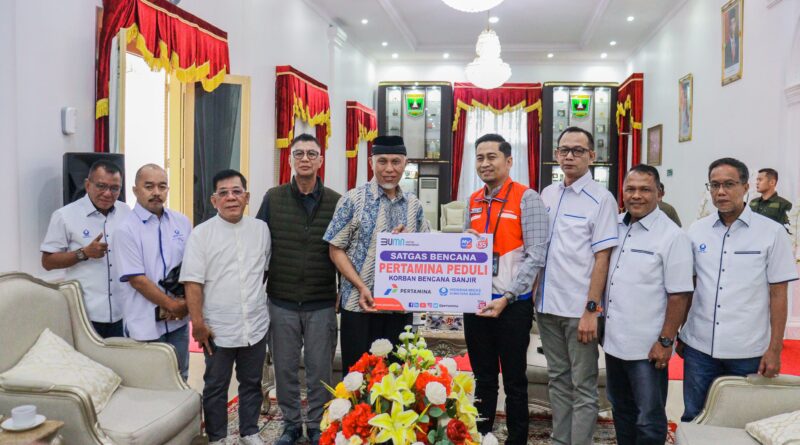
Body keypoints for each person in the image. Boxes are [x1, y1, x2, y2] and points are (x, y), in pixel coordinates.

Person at [679, 158, 798, 422]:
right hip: (699, 347)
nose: (721, 192)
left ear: (745, 187)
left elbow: (779, 294)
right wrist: (680, 333)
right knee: (694, 416)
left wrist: (775, 349)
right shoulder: (697, 231)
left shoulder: (771, 232)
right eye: (715, 185)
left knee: (740, 421)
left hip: (747, 350)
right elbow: (690, 287)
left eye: (729, 184)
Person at [462, 134, 548, 445]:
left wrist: (508, 297)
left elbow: (537, 254)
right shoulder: (473, 200)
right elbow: (465, 250)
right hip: (476, 303)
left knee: (514, 380)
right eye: (480, 157)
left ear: (509, 161)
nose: (485, 163)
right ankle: (481, 435)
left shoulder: (527, 198)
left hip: (513, 304)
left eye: (492, 157)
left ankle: (517, 439)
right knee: (483, 378)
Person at [255, 134, 341, 445]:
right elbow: (259, 247)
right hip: (282, 300)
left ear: (320, 160)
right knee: (285, 369)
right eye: (299, 153)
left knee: (320, 370)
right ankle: (291, 425)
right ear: (290, 159)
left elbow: (344, 248)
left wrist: (343, 290)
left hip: (321, 301)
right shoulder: (273, 198)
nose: (305, 159)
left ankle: (317, 425)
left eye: (311, 154)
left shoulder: (336, 201)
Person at [536, 127, 619, 445]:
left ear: (592, 156)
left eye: (578, 150)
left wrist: (591, 310)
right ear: (556, 154)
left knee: (583, 385)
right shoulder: (547, 194)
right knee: (557, 378)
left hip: (578, 310)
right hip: (546, 306)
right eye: (564, 150)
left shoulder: (601, 199)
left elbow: (602, 258)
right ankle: (560, 439)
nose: (569, 156)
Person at [324, 135, 431, 373]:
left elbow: (426, 251)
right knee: (357, 377)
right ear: (371, 162)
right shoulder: (352, 199)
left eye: (396, 162)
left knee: (396, 377)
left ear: (405, 163)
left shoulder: (414, 205)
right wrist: (361, 286)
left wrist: (410, 243)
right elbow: (335, 248)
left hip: (399, 308)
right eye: (382, 161)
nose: (389, 169)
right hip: (358, 305)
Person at [604, 165, 694, 445]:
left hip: (647, 348)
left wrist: (666, 341)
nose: (636, 195)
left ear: (659, 193)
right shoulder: (615, 226)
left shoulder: (673, 236)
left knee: (649, 418)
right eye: (630, 189)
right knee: (621, 409)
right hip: (613, 342)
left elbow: (679, 295)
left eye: (645, 189)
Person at [181, 169, 270, 445]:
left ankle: (249, 431)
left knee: (252, 382)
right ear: (214, 200)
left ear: (247, 197)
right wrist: (198, 324)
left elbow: (263, 271)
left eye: (236, 192)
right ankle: (218, 436)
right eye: (224, 193)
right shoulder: (201, 234)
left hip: (255, 324)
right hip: (217, 328)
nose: (231, 197)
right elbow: (192, 283)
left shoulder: (261, 230)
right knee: (216, 385)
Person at [113, 164, 191, 379]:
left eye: (162, 186)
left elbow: (191, 267)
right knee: (151, 382)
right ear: (135, 190)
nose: (156, 192)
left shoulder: (181, 222)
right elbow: (137, 280)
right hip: (145, 324)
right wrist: (173, 305)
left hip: (178, 323)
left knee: (180, 377)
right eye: (149, 186)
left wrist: (186, 303)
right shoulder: (125, 229)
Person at [41, 160, 131, 338]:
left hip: (122, 312)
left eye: (114, 188)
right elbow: (47, 262)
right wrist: (83, 253)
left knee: (120, 356)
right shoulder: (64, 216)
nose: (108, 193)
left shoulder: (125, 211)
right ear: (88, 185)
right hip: (85, 313)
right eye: (101, 186)